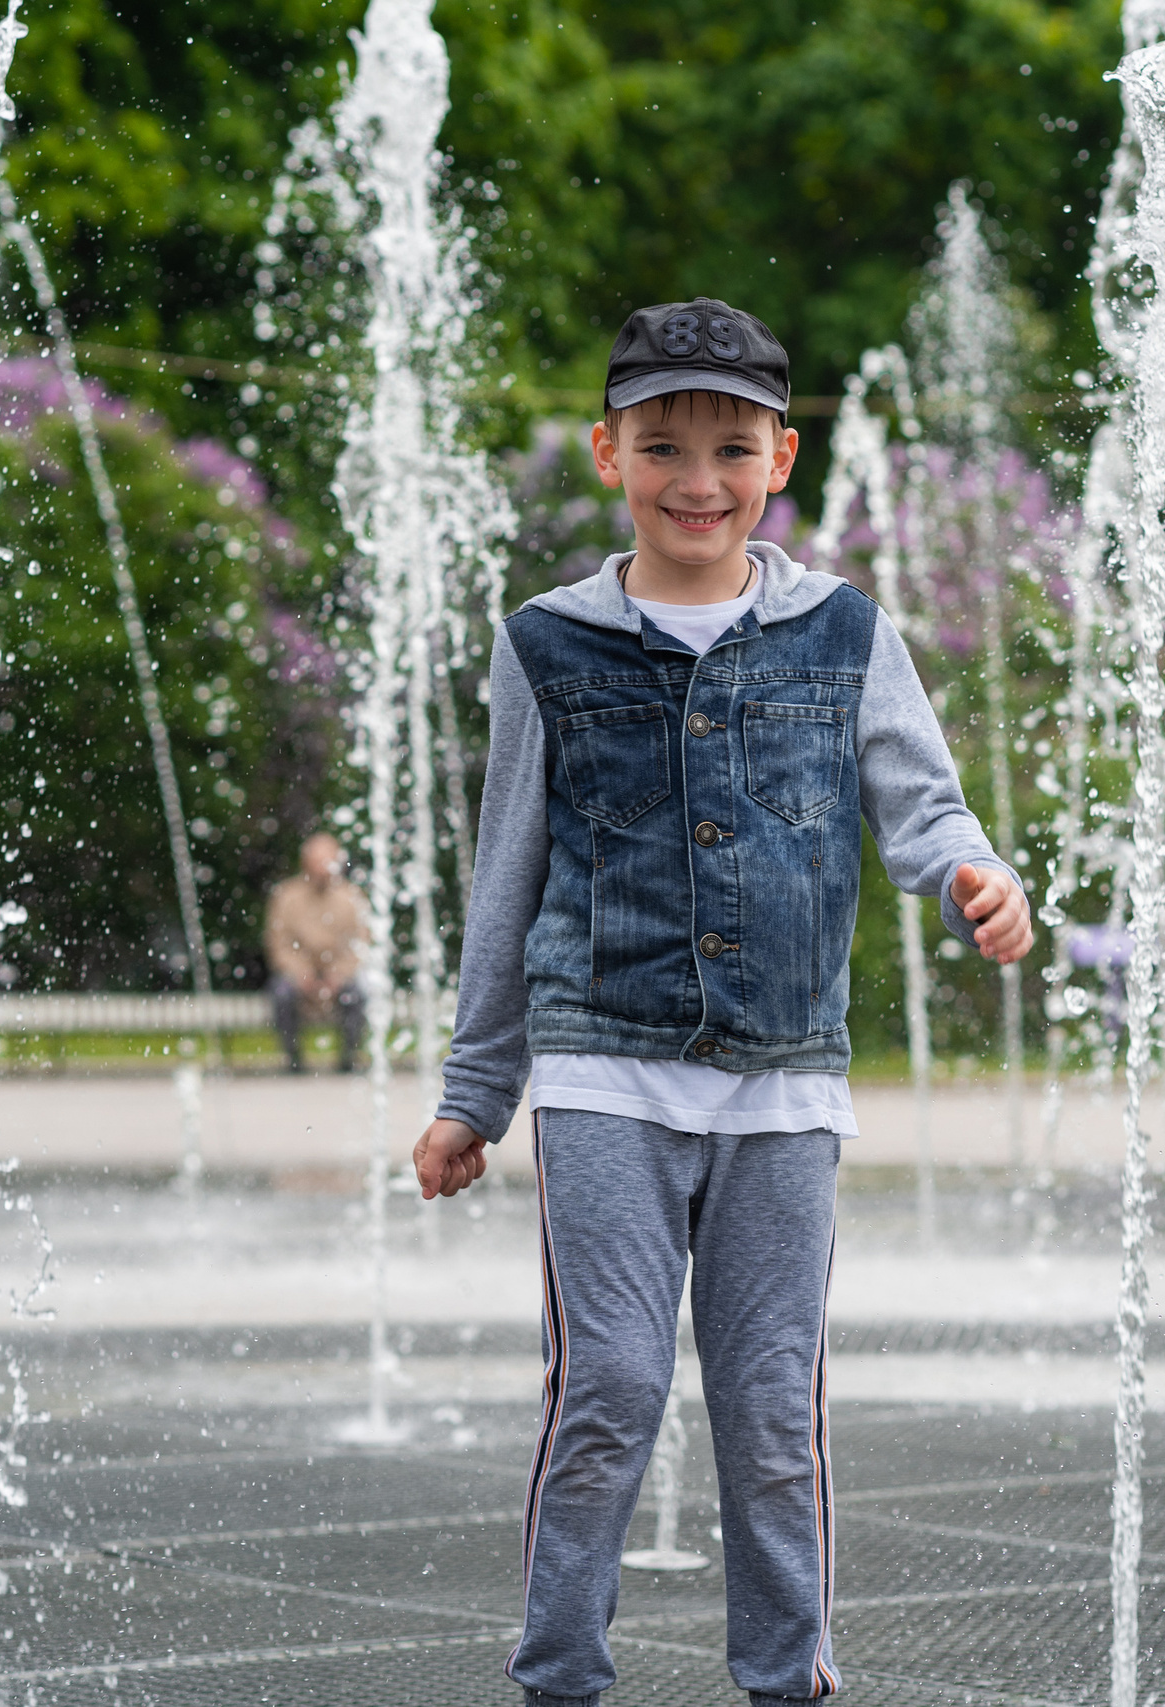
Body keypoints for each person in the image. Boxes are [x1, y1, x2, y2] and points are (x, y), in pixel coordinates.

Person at [411, 297, 1031, 1707]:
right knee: (609, 1389)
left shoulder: (845, 631)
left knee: (768, 1414)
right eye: (663, 447)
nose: (698, 480)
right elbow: (507, 876)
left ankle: (785, 1679)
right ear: (608, 453)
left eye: (731, 449)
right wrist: (473, 1093)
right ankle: (559, 1677)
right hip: (602, 1074)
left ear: (781, 460)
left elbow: (925, 810)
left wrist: (978, 880)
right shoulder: (547, 644)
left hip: (784, 1086)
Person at [263, 832, 366, 1073]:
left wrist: (338, 975)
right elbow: (278, 943)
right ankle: (293, 1059)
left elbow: (360, 944)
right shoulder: (286, 896)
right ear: (305, 863)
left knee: (358, 994)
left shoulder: (351, 897)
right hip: (298, 975)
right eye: (318, 861)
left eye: (328, 861)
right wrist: (301, 973)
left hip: (339, 975)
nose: (323, 868)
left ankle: (348, 1058)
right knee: (282, 994)